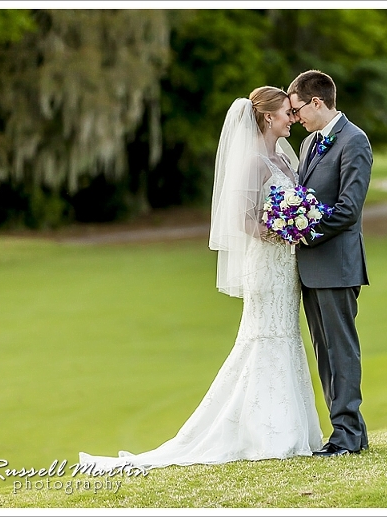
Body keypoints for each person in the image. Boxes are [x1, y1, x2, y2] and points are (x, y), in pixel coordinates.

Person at [78, 86, 322, 470]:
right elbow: (241, 219)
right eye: (285, 113)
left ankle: (291, 427)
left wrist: (295, 222)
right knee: (264, 337)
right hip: (266, 264)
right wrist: (277, 229)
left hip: (286, 267)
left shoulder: (284, 161)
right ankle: (269, 432)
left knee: (285, 335)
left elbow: (294, 203)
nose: (292, 118)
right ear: (267, 117)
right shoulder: (254, 162)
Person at [287, 70, 371, 457]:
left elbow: (348, 210)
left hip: (337, 265)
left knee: (341, 351)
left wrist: (306, 232)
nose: (296, 117)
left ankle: (348, 436)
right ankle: (347, 433)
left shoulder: (354, 141)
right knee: (324, 351)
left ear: (317, 102)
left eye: (299, 109)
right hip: (311, 268)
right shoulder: (308, 145)